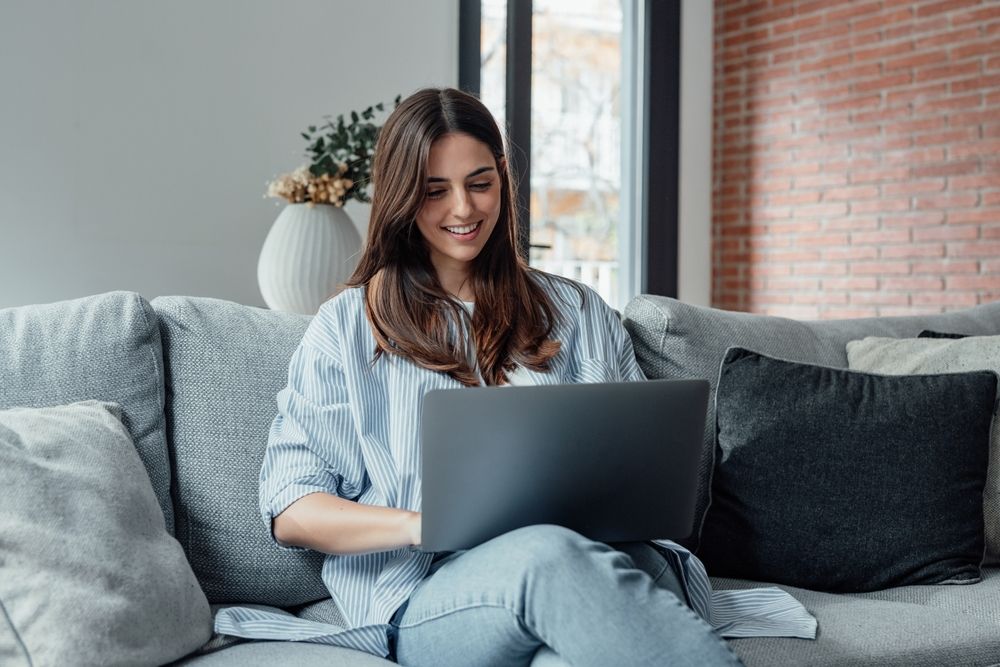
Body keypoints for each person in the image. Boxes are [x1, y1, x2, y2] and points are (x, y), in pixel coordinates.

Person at [215, 88, 814, 666]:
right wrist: (428, 525)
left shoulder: (577, 312)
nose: (464, 209)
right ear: (399, 198)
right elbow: (293, 511)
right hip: (436, 598)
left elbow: (643, 471)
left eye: (480, 183)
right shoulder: (345, 329)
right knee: (545, 554)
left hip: (611, 562)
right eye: (435, 191)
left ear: (503, 177)